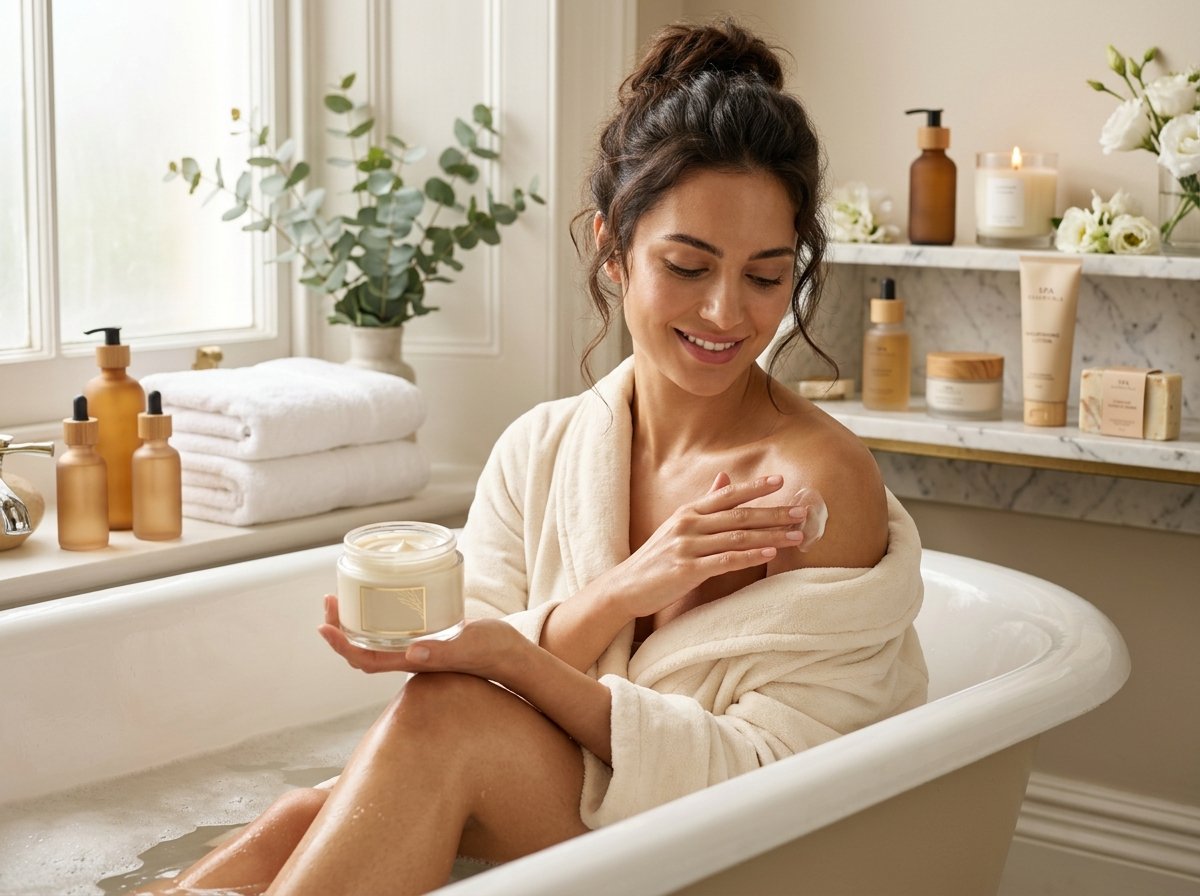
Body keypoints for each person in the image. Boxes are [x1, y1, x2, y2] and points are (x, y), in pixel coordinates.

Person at [147, 18, 926, 896]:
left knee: (432, 729)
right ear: (612, 248)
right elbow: (474, 683)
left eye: (765, 276)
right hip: (572, 818)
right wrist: (621, 591)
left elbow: (780, 779)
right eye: (687, 265)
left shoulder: (814, 487)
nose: (725, 313)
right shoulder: (542, 450)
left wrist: (519, 658)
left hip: (731, 853)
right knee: (299, 815)